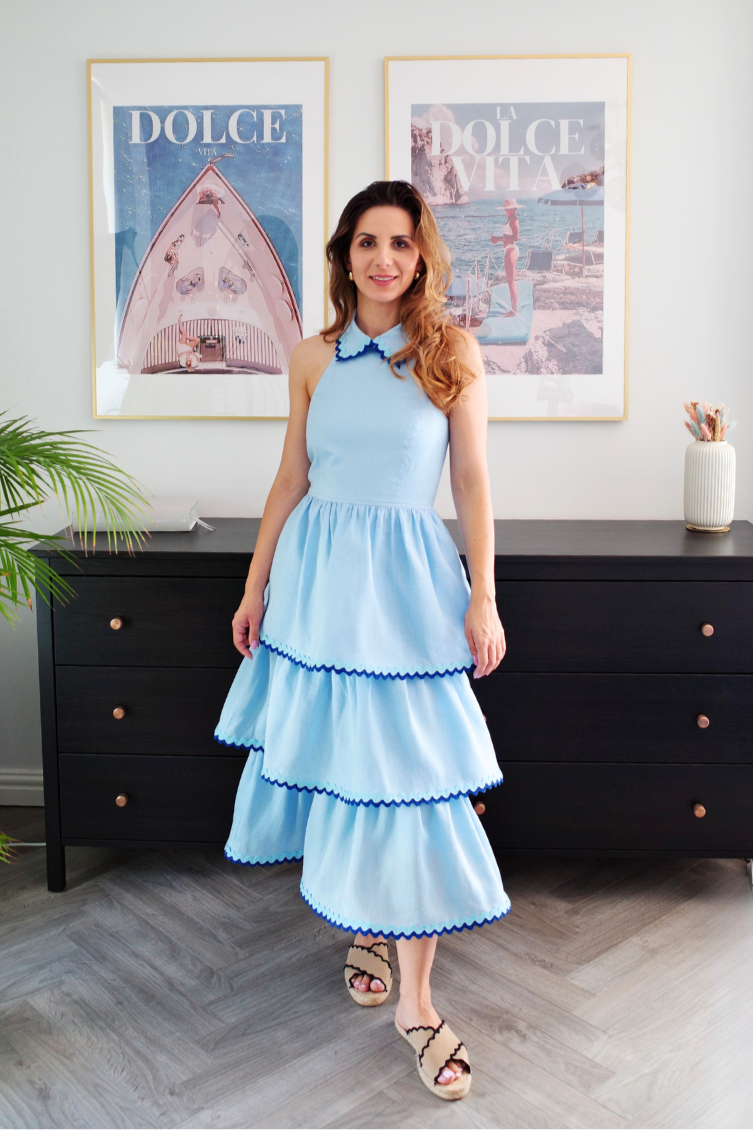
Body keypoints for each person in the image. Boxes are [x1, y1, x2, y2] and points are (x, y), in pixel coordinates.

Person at [215, 180, 510, 1101]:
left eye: (401, 242)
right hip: (317, 588)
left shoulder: (450, 351)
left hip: (410, 592)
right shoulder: (311, 357)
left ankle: (415, 1004)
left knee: (419, 785)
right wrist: (255, 582)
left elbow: (470, 482)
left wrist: (484, 598)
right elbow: (289, 476)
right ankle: (372, 927)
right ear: (345, 255)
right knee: (349, 770)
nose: (385, 257)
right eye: (368, 241)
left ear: (421, 255)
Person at [491, 199, 524, 317]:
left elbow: (516, 237)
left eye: (511, 209)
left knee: (511, 282)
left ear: (514, 209)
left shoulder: (513, 219)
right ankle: (513, 309)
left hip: (511, 248)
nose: (509, 211)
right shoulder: (510, 219)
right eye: (507, 209)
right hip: (509, 249)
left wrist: (499, 239)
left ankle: (514, 311)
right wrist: (498, 239)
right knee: (510, 282)